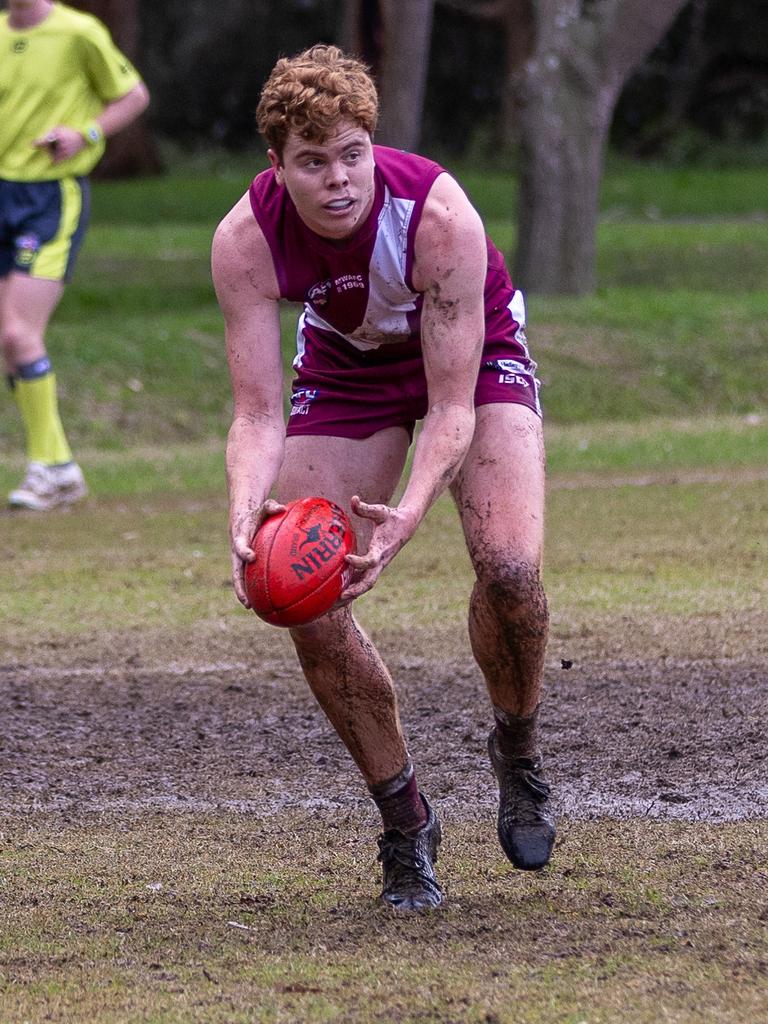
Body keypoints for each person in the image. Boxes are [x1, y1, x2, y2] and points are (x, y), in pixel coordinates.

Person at [212, 44, 554, 912]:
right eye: (313, 161)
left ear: (374, 144)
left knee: (511, 570)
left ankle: (516, 744)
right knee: (300, 590)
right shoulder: (245, 241)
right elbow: (257, 413)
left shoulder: (439, 217)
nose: (338, 179)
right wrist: (246, 511)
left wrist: (405, 515)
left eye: (353, 153)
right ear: (277, 167)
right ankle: (405, 820)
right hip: (348, 367)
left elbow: (449, 409)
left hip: (472, 367)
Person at [0, 0, 149, 510]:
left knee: (19, 334)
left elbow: (133, 96)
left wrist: (82, 133)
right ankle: (57, 467)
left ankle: (51, 467)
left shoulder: (77, 32)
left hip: (48, 198)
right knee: (9, 339)